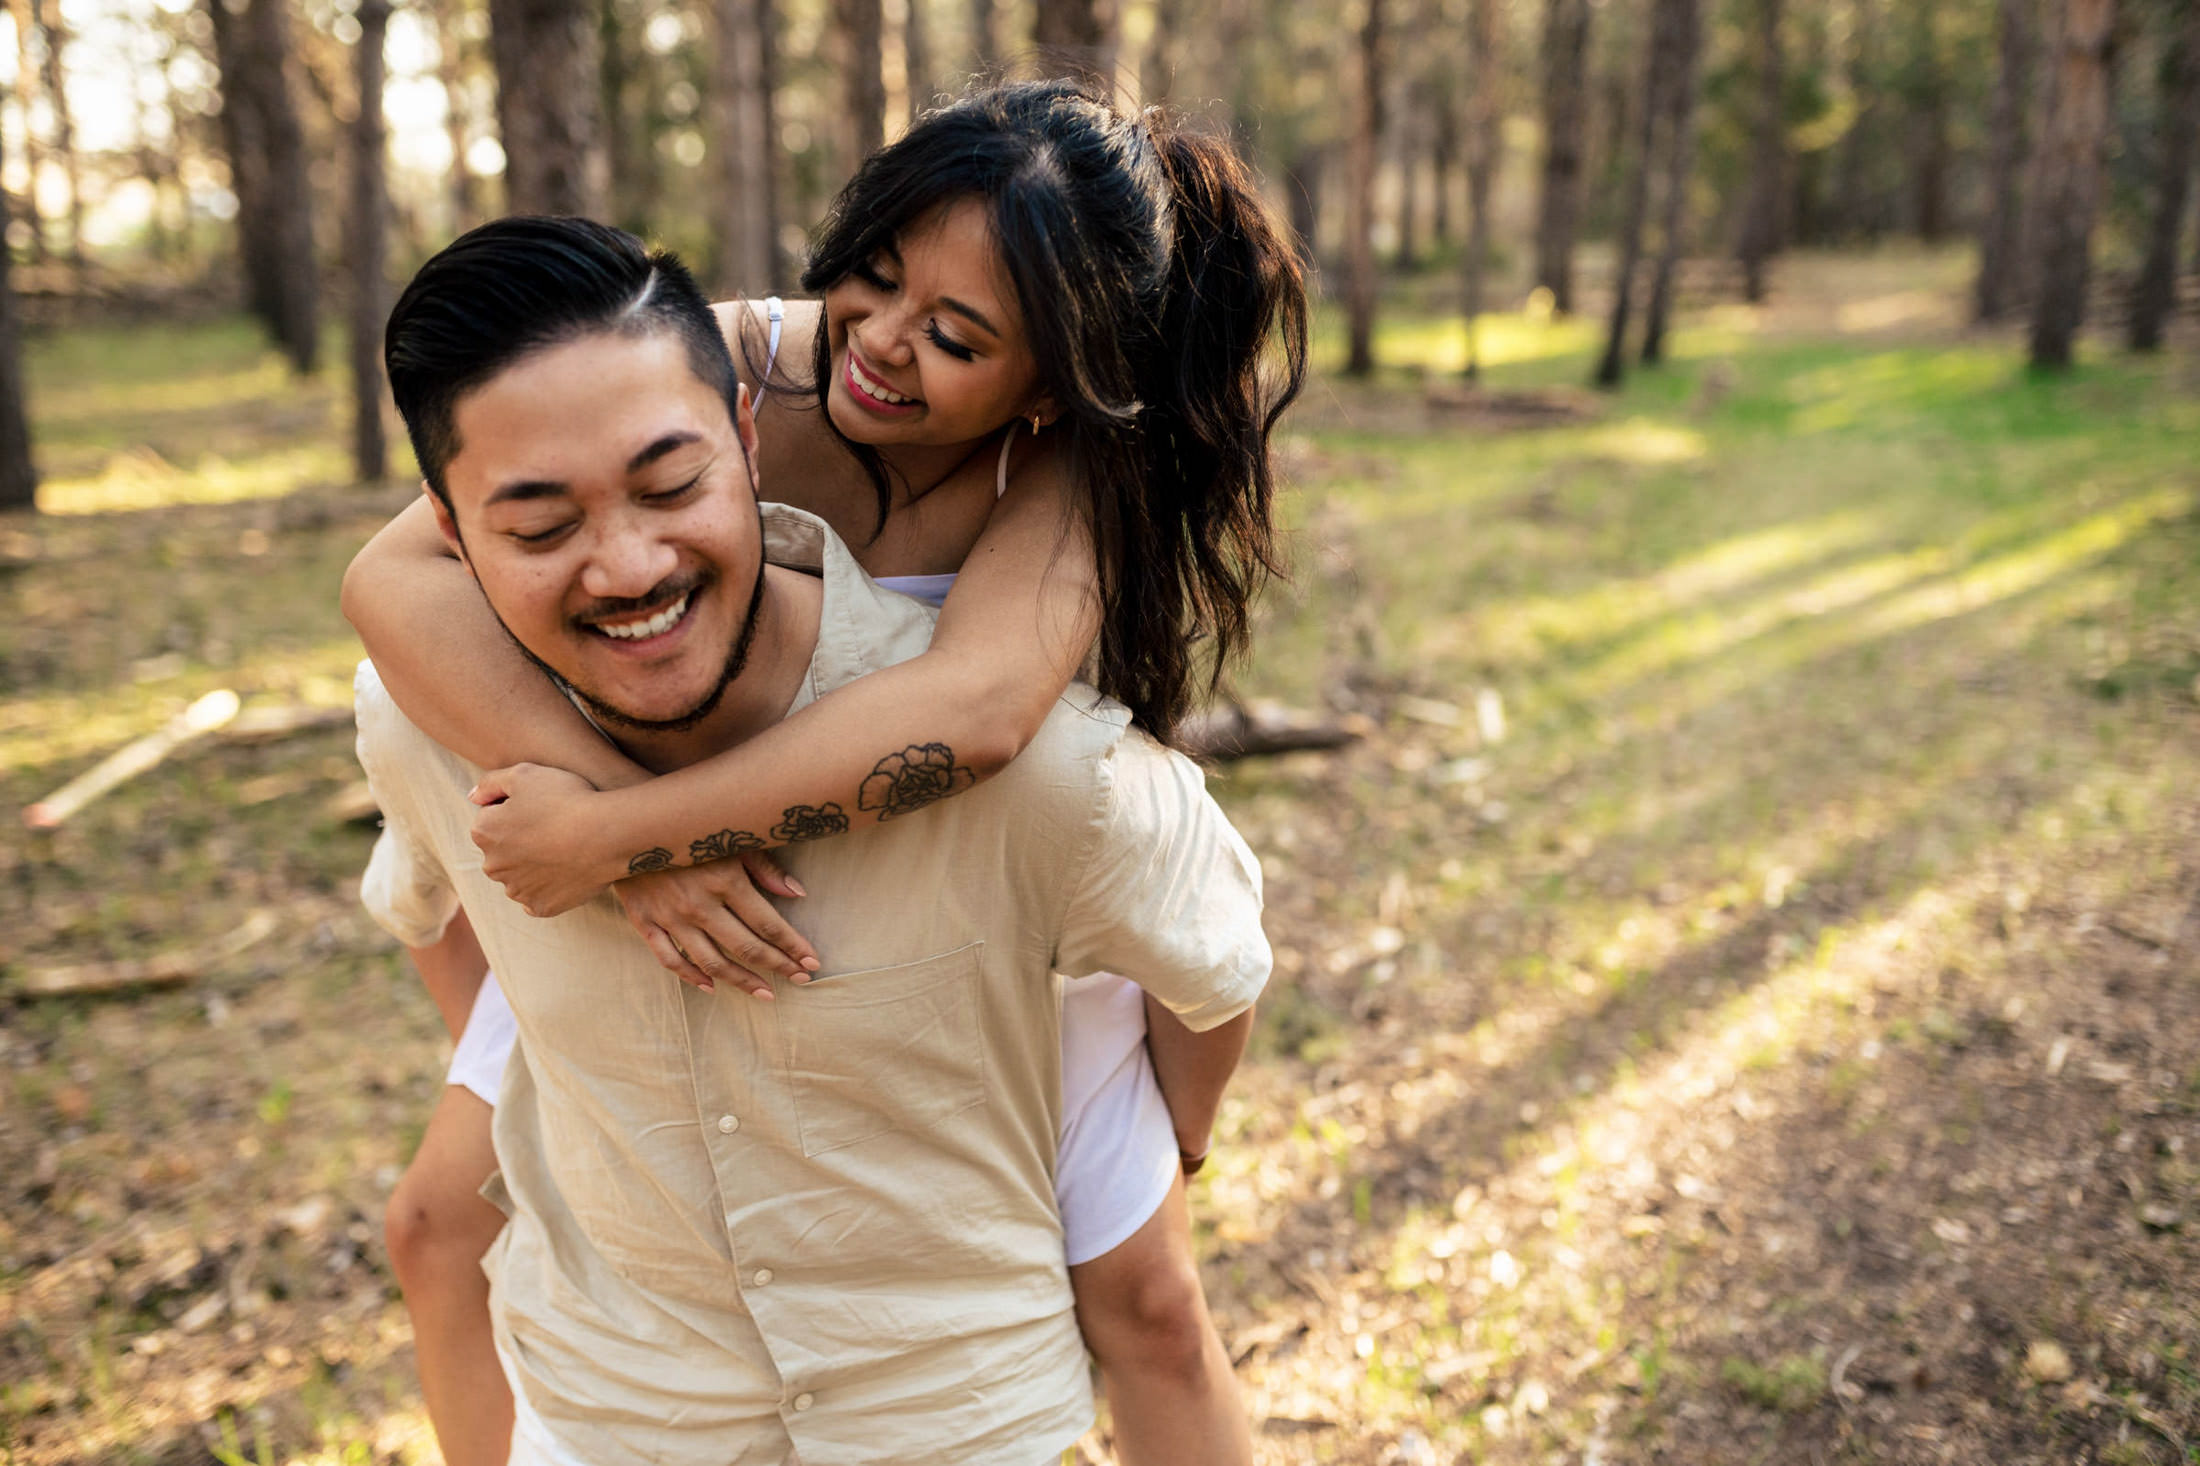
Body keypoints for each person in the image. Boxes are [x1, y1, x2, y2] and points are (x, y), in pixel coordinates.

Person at [348, 83, 1306, 1466]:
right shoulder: (735, 364)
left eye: (958, 336)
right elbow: (390, 580)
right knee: (437, 1221)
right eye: (874, 274)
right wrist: (625, 854)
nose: (880, 343)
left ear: (1050, 380)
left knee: (1147, 1297)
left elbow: (973, 716)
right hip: (630, 821)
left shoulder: (1073, 473)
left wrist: (635, 839)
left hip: (956, 892)